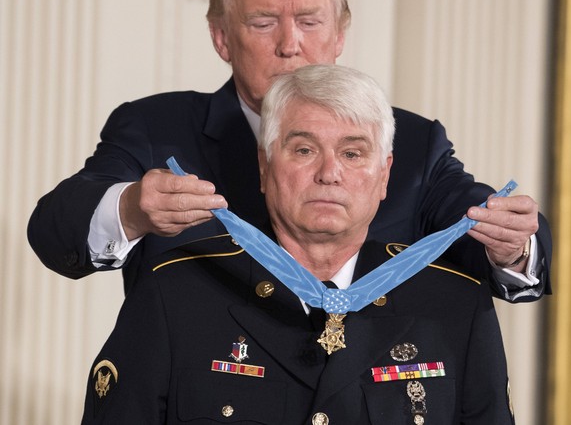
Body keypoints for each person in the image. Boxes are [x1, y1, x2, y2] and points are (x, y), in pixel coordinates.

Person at [27, 0, 550, 302]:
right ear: (221, 37)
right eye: (262, 22)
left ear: (340, 34)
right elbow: (55, 233)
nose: (289, 45)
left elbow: (492, 229)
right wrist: (134, 209)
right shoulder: (156, 129)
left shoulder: (412, 142)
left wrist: (514, 243)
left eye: (308, 20)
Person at [81, 65, 515, 424]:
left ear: (384, 176)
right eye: (304, 150)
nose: (329, 173)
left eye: (352, 153)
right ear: (265, 168)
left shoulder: (455, 304)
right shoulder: (175, 296)